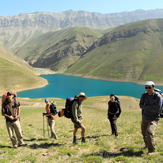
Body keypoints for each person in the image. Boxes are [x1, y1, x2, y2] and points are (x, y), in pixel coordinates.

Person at [139, 81, 162, 154]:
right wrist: (151, 106)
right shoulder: (144, 95)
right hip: (145, 117)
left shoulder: (157, 96)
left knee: (149, 132)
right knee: (143, 132)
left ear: (153, 87)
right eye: (146, 87)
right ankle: (147, 145)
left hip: (154, 118)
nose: (147, 89)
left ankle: (152, 150)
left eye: (149, 87)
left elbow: (157, 109)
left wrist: (146, 107)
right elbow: (141, 105)